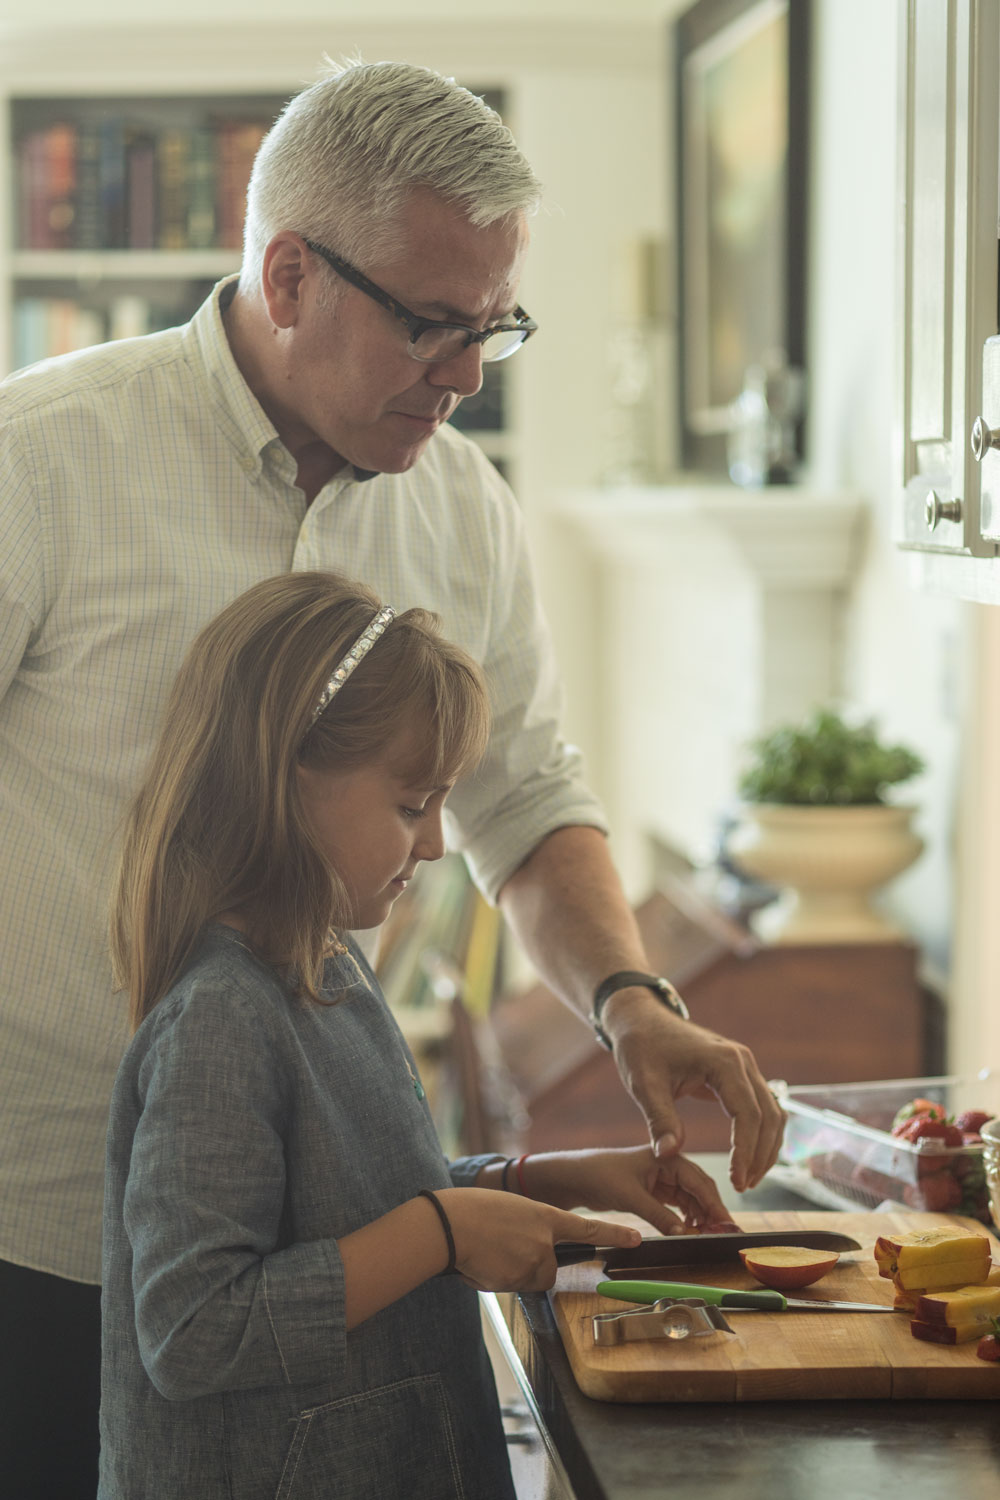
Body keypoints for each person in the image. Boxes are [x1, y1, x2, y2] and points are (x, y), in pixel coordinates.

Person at [0, 58, 784, 1496]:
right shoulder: (37, 464)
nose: (469, 375)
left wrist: (630, 1006)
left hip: (331, 1254)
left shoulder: (465, 510)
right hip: (29, 1230)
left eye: (496, 329)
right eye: (431, 323)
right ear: (288, 275)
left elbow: (530, 800)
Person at [100, 569, 734, 1500]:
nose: (437, 843)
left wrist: (533, 1182)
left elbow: (368, 1210)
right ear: (288, 779)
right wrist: (446, 1229)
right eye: (411, 806)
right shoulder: (220, 1022)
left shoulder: (328, 968)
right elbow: (196, 1332)